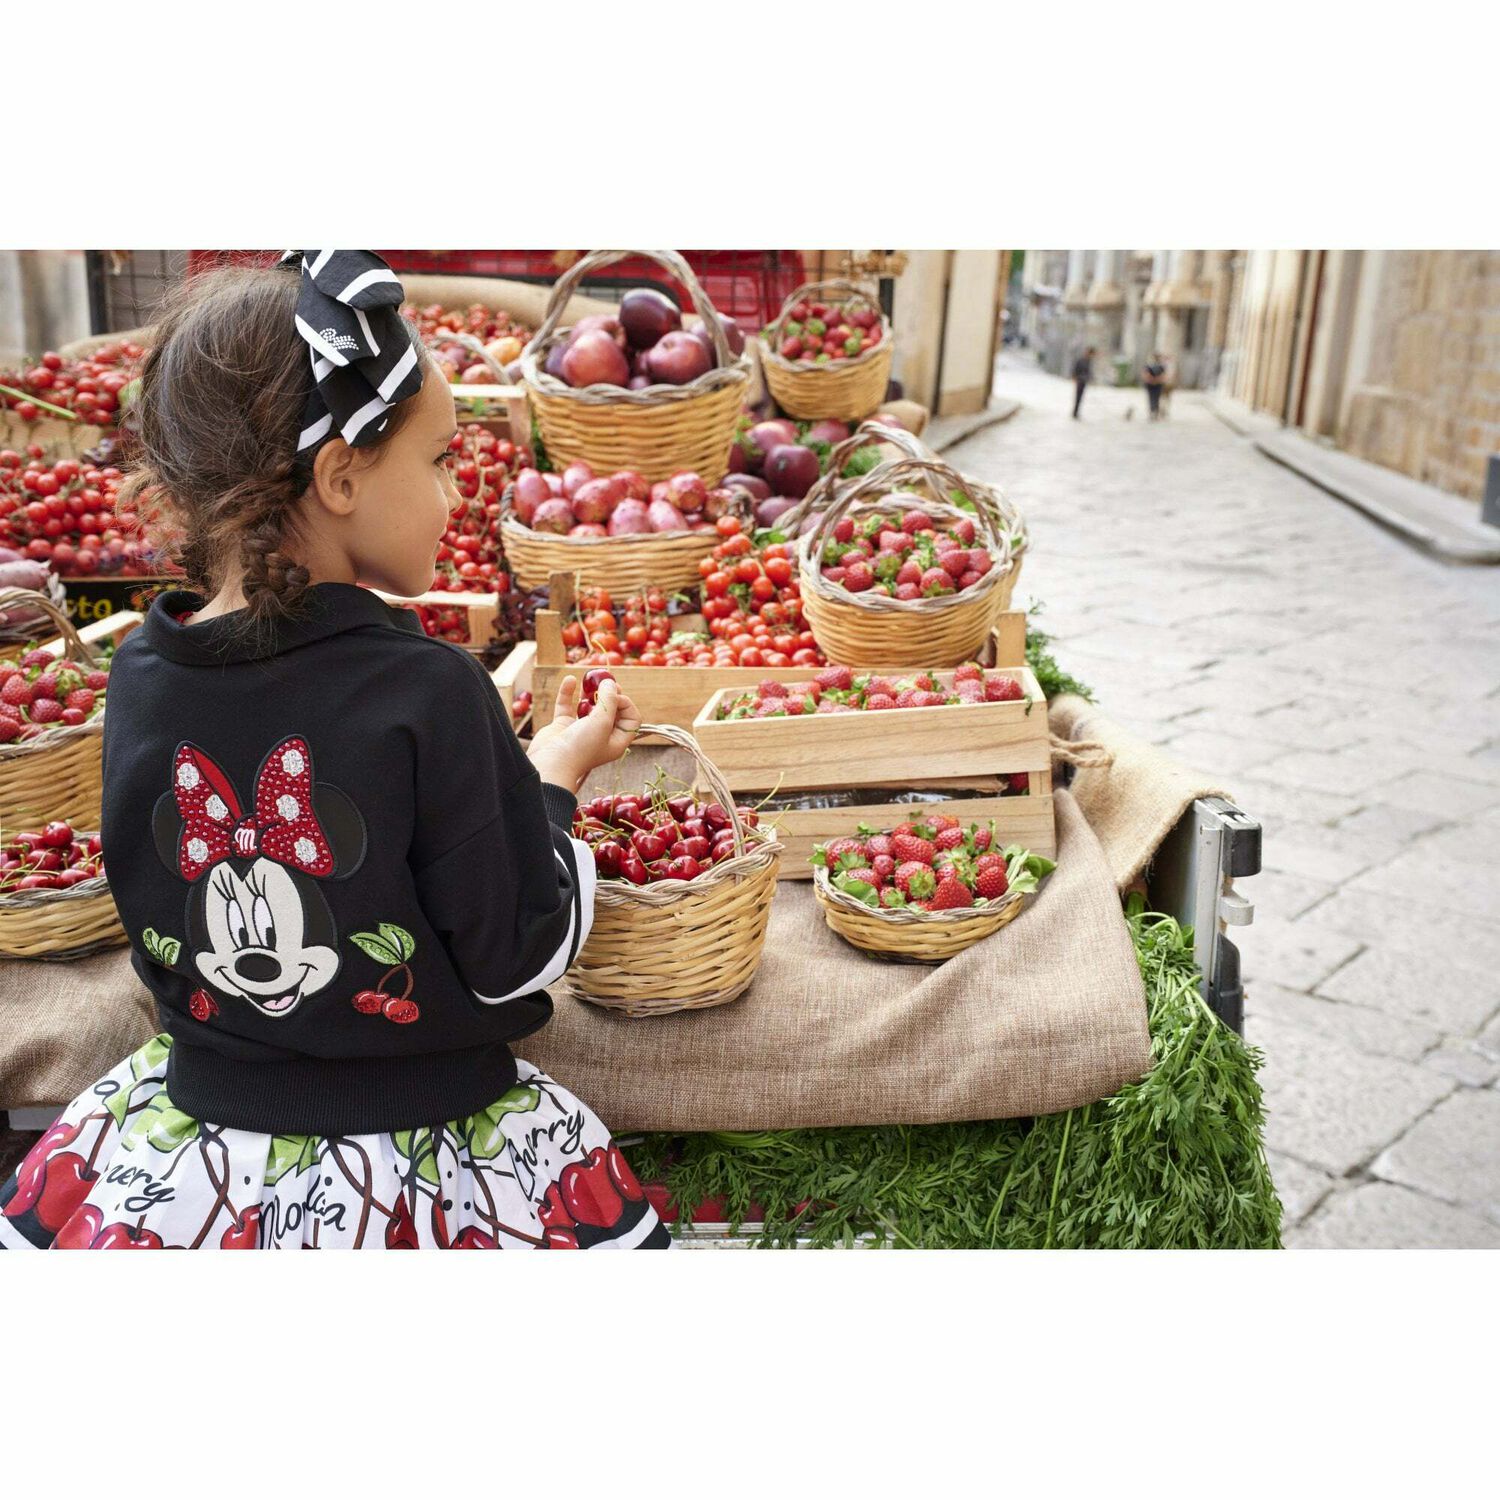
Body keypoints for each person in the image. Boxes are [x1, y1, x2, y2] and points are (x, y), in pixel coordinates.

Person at [0, 252, 670, 1250]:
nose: (457, 491)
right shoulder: (433, 689)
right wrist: (552, 785)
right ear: (342, 475)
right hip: (425, 1148)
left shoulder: (140, 671)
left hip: (197, 1153)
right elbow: (514, 958)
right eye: (440, 458)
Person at [1142, 351, 1167, 420]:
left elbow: (1145, 374)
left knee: (1153, 398)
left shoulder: (1159, 366)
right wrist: (1155, 380)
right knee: (1155, 398)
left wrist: (1152, 380)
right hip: (1155, 383)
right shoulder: (1158, 366)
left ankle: (1153, 412)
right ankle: (1154, 412)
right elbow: (1146, 374)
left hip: (1153, 383)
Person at [1071, 346, 1095, 418]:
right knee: (1078, 397)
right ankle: (1075, 412)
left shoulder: (1088, 361)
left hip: (1084, 381)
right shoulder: (1081, 360)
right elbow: (1076, 368)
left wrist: (1090, 378)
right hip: (1080, 380)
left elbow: (1088, 371)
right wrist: (1075, 377)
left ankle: (1076, 412)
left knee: (1080, 397)